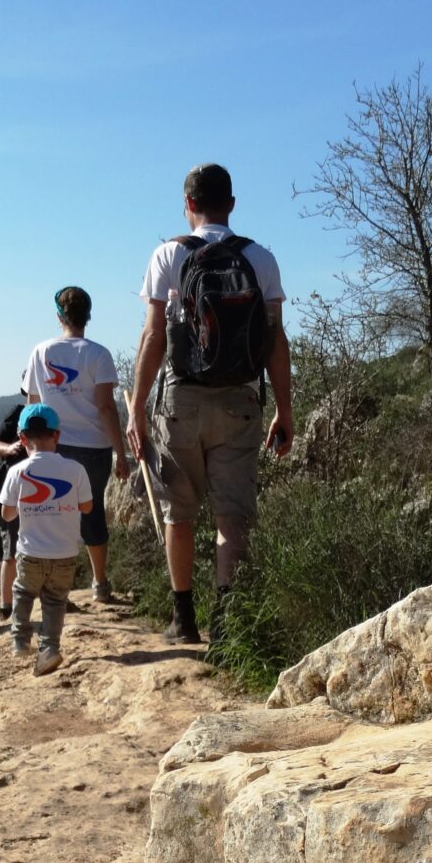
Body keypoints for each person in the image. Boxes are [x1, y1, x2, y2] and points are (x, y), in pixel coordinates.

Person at [125, 163, 293, 645]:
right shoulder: (260, 258)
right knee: (232, 515)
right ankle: (228, 622)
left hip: (182, 400)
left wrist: (137, 406)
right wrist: (284, 408)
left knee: (180, 511)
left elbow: (154, 337)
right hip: (241, 399)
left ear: (188, 204)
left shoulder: (168, 255)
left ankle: (183, 619)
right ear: (232, 205)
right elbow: (274, 339)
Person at [24, 287, 127, 603]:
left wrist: (30, 451)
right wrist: (119, 452)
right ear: (89, 316)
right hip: (94, 449)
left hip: (53, 445)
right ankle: (99, 584)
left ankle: (56, 590)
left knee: (55, 516)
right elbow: (106, 407)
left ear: (59, 316)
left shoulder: (41, 352)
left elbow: (33, 404)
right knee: (91, 512)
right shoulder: (97, 354)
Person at [0, 404, 92, 677]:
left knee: (23, 592)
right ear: (57, 435)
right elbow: (87, 508)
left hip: (30, 552)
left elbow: (6, 513)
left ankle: (20, 640)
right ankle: (49, 649)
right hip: (65, 553)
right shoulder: (75, 469)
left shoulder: (17, 472)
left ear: (23, 438)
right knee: (55, 601)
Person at [0, 397, 30, 618]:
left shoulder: (53, 410)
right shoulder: (17, 414)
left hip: (43, 490)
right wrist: (10, 448)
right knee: (10, 549)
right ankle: (6, 606)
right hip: (15, 491)